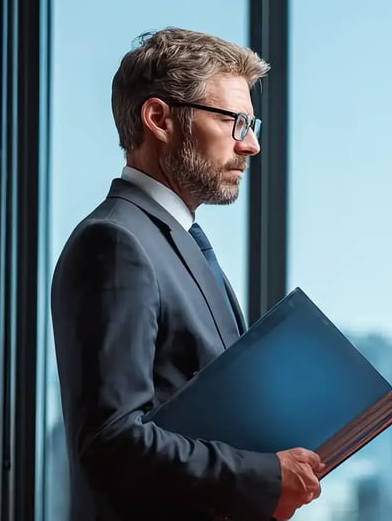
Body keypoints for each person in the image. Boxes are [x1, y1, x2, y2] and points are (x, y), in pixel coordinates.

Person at [51, 27, 323, 521]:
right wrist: (263, 476)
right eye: (236, 122)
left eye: (252, 122)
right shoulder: (115, 243)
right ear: (159, 118)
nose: (252, 145)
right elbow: (112, 441)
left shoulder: (169, 242)